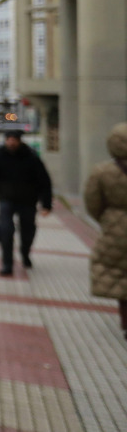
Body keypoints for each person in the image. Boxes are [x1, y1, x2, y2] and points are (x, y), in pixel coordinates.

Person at [0, 130, 52, 276]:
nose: (11, 142)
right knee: (6, 231)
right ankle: (7, 264)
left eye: (14, 139)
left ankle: (25, 253)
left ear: (20, 141)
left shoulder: (31, 158)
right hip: (6, 200)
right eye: (9, 139)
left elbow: (44, 182)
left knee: (28, 231)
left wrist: (46, 204)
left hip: (28, 201)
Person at [83, 122, 127, 340]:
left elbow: (92, 203)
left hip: (114, 231)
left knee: (118, 274)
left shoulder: (101, 172)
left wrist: (106, 219)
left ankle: (126, 319)